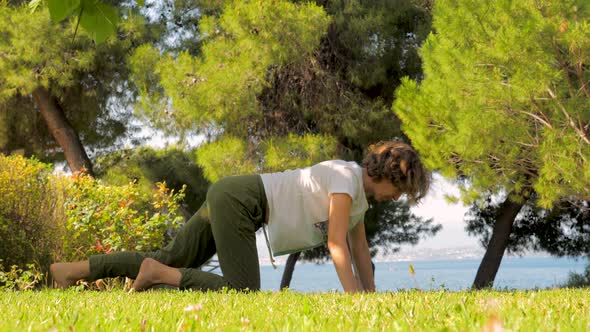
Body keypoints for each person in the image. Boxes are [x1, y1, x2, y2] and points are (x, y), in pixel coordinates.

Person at [50, 140, 430, 293]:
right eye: (400, 189)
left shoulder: (356, 196)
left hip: (233, 194)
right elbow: (336, 243)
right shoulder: (346, 180)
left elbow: (359, 248)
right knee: (243, 291)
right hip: (242, 201)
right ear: (389, 176)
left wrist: (371, 296)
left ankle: (69, 270)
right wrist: (354, 299)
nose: (398, 198)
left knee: (170, 256)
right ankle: (158, 276)